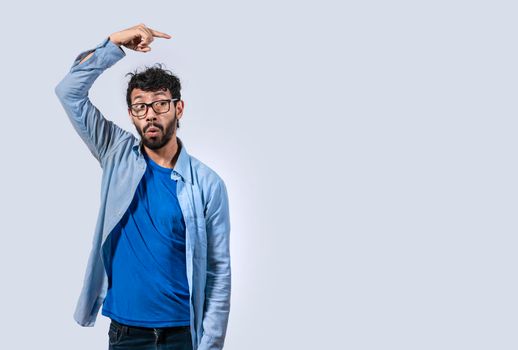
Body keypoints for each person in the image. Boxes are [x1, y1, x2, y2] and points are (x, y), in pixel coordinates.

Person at [54, 24, 231, 350]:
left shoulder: (207, 184)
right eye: (140, 106)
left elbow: (218, 274)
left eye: (160, 104)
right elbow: (69, 92)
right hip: (126, 335)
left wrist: (210, 345)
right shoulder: (115, 152)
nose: (150, 115)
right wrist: (113, 43)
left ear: (178, 109)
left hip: (182, 336)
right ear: (132, 114)